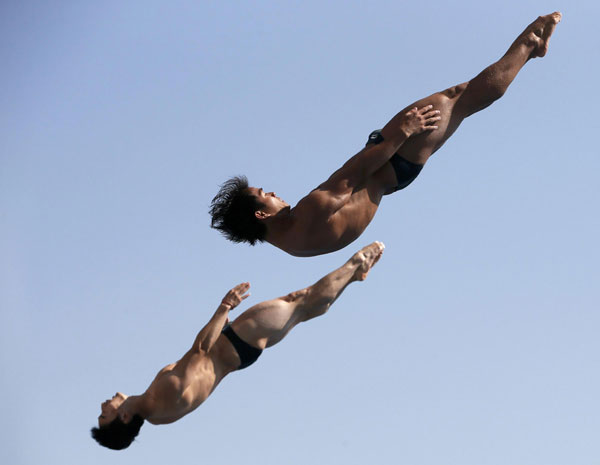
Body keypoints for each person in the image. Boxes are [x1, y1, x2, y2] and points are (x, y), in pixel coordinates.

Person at [210, 12, 562, 257]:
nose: (272, 192)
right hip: (392, 156)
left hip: (394, 177)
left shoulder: (292, 244)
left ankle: (531, 52)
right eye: (264, 194)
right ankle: (533, 38)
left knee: (464, 103)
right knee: (461, 96)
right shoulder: (309, 212)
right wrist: (401, 134)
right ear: (260, 214)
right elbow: (355, 173)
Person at [91, 241, 385, 450]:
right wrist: (224, 307)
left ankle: (351, 278)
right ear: (125, 417)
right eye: (106, 414)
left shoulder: (158, 418)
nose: (104, 405)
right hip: (234, 341)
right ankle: (356, 263)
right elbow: (200, 352)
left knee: (301, 307)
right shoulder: (162, 396)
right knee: (301, 301)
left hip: (237, 352)